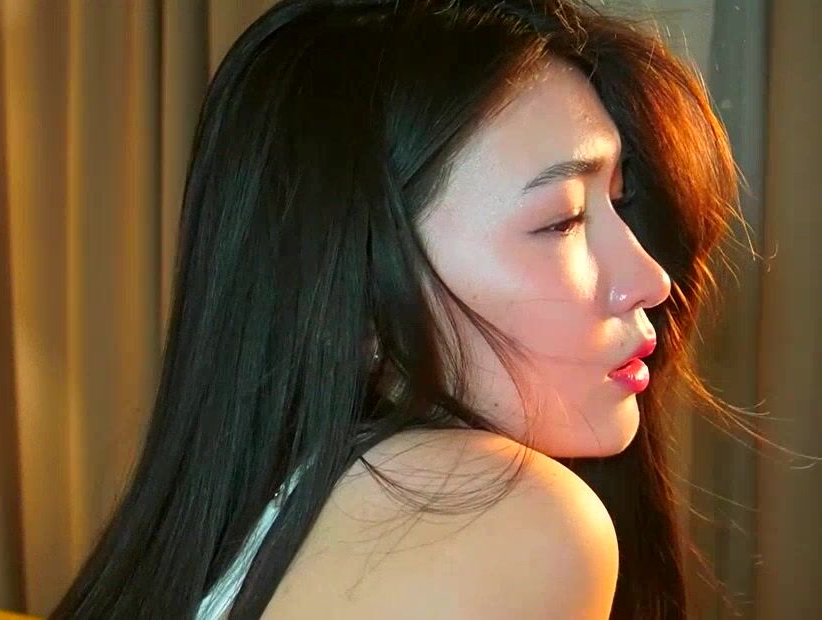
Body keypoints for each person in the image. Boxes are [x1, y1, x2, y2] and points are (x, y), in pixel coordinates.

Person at [50, 0, 742, 618]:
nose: (651, 280)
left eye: (617, 203)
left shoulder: (280, 515)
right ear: (356, 294)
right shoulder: (498, 519)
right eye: (561, 220)